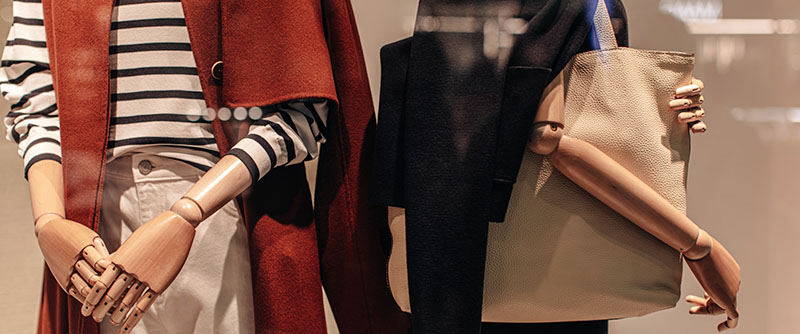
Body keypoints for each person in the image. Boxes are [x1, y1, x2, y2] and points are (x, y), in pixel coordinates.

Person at [2, 0, 408, 333]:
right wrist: (49, 221)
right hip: (92, 232)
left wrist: (185, 212)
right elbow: (35, 91)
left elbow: (301, 106)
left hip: (233, 215)